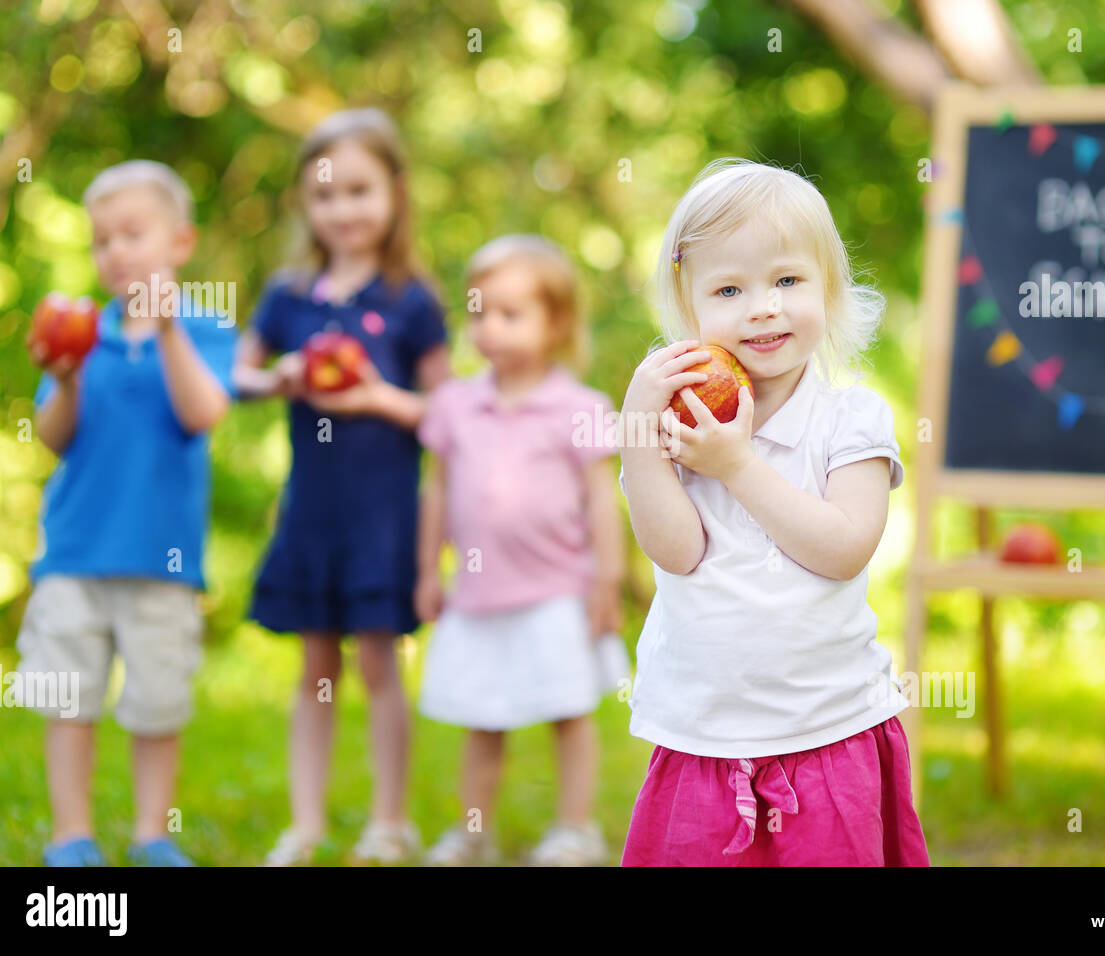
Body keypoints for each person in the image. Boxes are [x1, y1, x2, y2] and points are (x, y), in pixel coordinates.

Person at [617, 158, 930, 866]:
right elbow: (677, 550)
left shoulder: (850, 419)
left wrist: (736, 465)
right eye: (730, 288)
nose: (763, 305)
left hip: (827, 733)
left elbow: (845, 546)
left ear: (830, 289)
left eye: (788, 280)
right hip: (703, 735)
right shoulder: (681, 420)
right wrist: (638, 428)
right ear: (689, 310)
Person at [232, 108, 451, 866]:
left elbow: (448, 415)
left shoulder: (411, 301)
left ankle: (389, 822)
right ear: (304, 203)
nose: (343, 210)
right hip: (313, 515)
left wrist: (373, 397)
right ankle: (306, 822)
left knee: (380, 665)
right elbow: (236, 377)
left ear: (394, 192)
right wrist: (278, 379)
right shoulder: (290, 297)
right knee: (314, 668)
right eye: (325, 195)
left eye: (359, 191)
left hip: (383, 518)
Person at [18, 160, 236, 866]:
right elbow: (53, 438)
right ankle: (70, 835)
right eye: (101, 240)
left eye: (133, 234)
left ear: (180, 242)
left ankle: (151, 834)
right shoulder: (80, 336)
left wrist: (167, 330)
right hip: (76, 553)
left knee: (155, 704)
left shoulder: (203, 331)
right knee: (69, 700)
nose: (115, 251)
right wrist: (64, 377)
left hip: (162, 558)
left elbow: (202, 413)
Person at [415, 234, 626, 866]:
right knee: (484, 720)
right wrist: (429, 569)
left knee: (568, 713)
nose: (491, 329)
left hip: (557, 592)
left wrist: (606, 582)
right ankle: (472, 833)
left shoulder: (579, 408)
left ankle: (574, 828)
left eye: (511, 314)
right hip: (480, 595)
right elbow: (437, 492)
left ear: (556, 322)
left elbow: (602, 502)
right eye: (479, 313)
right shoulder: (455, 404)